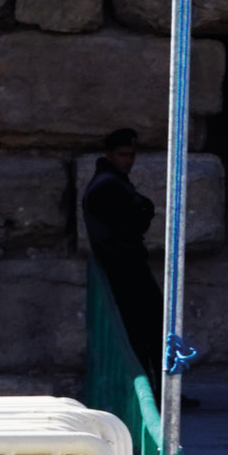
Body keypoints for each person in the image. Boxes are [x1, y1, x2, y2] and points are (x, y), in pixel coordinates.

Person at [80, 128, 162, 388]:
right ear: (110, 154)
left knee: (151, 329)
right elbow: (134, 220)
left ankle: (159, 389)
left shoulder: (113, 181)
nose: (128, 160)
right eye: (122, 154)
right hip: (125, 270)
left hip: (128, 267)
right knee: (143, 331)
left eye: (131, 155)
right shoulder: (107, 185)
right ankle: (151, 390)